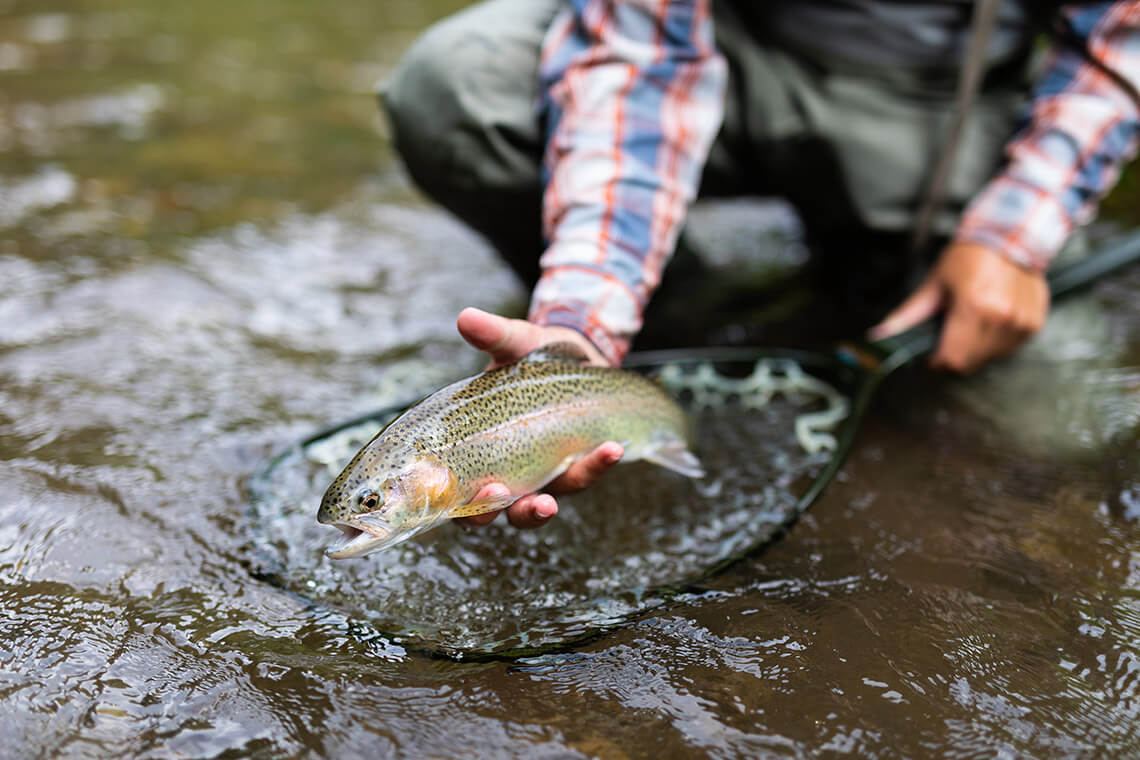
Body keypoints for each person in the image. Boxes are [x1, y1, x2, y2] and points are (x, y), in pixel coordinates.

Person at [380, 1, 1140, 528]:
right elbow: (638, 62)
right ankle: (670, 326)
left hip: (945, 101)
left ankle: (877, 261)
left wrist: (1013, 235)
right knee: (456, 90)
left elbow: (1118, 36)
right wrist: (580, 329)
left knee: (1053, 437)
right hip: (727, 51)